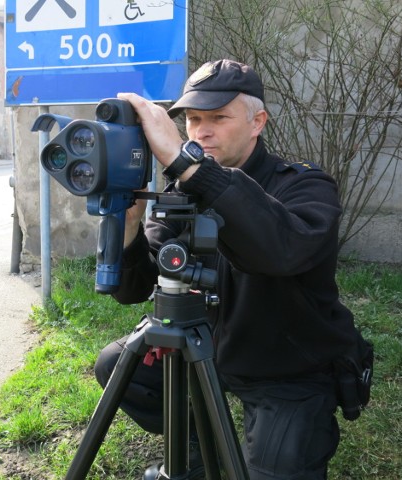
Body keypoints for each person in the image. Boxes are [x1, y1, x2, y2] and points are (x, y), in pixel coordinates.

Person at [93, 59, 369, 479]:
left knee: (276, 471)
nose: (202, 131)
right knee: (117, 365)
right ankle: (201, 450)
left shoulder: (304, 185)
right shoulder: (179, 193)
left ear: (257, 121)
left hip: (286, 366)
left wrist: (194, 172)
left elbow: (280, 251)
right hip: (204, 351)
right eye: (193, 119)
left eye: (219, 118)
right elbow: (134, 288)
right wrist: (129, 225)